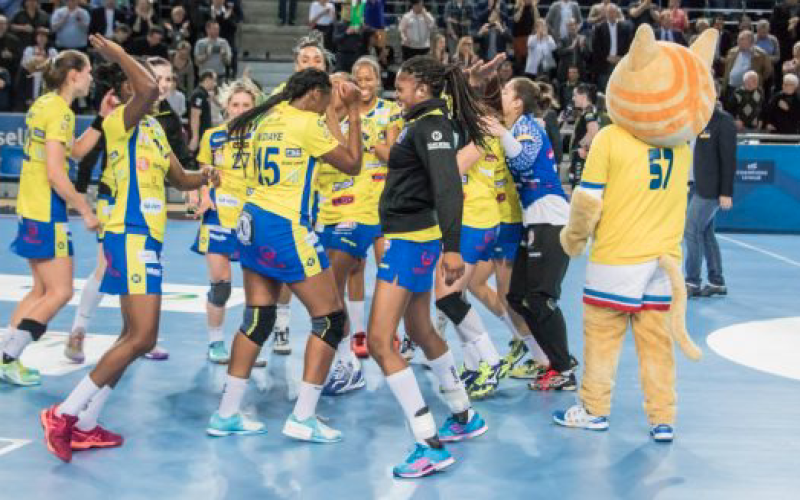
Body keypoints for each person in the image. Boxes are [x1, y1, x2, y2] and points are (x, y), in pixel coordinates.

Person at [41, 34, 220, 463]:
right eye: (150, 79)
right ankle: (63, 415)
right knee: (143, 337)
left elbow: (180, 178)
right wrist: (121, 55)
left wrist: (207, 176)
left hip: (149, 238)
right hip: (130, 233)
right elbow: (146, 88)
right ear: (126, 87)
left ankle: (86, 424)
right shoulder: (120, 120)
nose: (160, 86)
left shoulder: (155, 130)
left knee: (132, 337)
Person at [205, 69, 363, 443]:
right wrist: (354, 112)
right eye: (326, 100)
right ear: (314, 95)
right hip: (286, 226)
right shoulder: (306, 124)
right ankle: (303, 417)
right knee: (330, 319)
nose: (328, 107)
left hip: (252, 219)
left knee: (257, 318)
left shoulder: (265, 119)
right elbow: (353, 164)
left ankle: (226, 413)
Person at [367, 56, 488, 478]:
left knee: (381, 342)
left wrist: (452, 250)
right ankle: (463, 413)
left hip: (408, 241)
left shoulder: (430, 126)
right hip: (413, 236)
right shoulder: (424, 123)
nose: (396, 95)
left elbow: (448, 187)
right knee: (420, 329)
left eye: (400, 88)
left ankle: (428, 444)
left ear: (421, 88)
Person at [0, 50, 110, 386]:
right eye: (88, 71)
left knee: (41, 290)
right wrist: (86, 210)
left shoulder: (44, 104)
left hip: (31, 205)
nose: (91, 77)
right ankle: (8, 358)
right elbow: (55, 173)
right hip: (46, 209)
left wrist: (101, 119)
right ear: (73, 75)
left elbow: (74, 152)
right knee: (60, 292)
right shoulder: (60, 111)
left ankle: (5, 355)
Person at [484, 78, 578, 391]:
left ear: (518, 102)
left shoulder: (529, 127)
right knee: (517, 296)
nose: (501, 95)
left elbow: (523, 159)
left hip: (551, 219)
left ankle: (564, 368)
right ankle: (556, 359)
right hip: (533, 221)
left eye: (506, 91)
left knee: (541, 298)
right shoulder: (516, 128)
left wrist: (501, 133)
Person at [319, 58, 400, 375]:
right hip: (347, 207)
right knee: (351, 272)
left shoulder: (388, 111)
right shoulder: (338, 116)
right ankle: (357, 335)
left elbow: (394, 157)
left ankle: (389, 331)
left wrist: (370, 143)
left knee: (388, 272)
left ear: (378, 81)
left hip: (383, 203)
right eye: (359, 79)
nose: (364, 84)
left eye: (369, 79)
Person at [191, 78, 262, 364]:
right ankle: (216, 343)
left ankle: (248, 346)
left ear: (255, 108)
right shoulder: (212, 136)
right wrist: (203, 195)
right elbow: (203, 171)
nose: (240, 110)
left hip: (252, 217)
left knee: (257, 290)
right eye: (235, 104)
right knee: (221, 285)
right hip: (218, 215)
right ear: (226, 107)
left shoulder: (263, 137)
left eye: (246, 105)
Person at [684, 106, 736, 298]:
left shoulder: (723, 120)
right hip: (693, 185)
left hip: (709, 189)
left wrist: (726, 192)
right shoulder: (694, 119)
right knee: (706, 233)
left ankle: (692, 282)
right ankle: (716, 282)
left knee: (691, 230)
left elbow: (729, 159)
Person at [592, 4, 632, 91]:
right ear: (606, 14)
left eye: (613, 12)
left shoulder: (625, 27)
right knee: (604, 89)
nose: (611, 14)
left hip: (620, 63)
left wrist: (621, 57)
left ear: (617, 13)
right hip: (604, 63)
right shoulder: (599, 28)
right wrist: (607, 57)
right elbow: (596, 47)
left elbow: (629, 45)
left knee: (621, 89)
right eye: (609, 12)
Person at [722, 30, 773, 99]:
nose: (738, 41)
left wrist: (757, 79)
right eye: (738, 39)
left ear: (750, 41)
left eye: (742, 39)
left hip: (749, 89)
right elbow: (727, 69)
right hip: (732, 87)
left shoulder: (760, 54)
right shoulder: (732, 51)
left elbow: (767, 70)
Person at [568, 83, 600, 190]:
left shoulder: (589, 111)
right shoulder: (588, 111)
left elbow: (594, 131)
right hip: (580, 157)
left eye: (575, 95)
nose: (573, 98)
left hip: (580, 159)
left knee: (578, 189)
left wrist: (582, 147)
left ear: (583, 96)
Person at [19, 26, 56, 106]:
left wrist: (42, 60)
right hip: (31, 75)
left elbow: (54, 65)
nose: (42, 38)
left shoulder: (52, 51)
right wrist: (37, 60)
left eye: (44, 36)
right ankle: (28, 98)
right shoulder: (29, 49)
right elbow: (25, 64)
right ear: (35, 37)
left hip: (45, 75)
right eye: (40, 36)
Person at [189, 70, 217, 155]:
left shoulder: (204, 94)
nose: (215, 84)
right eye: (214, 80)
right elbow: (195, 115)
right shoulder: (199, 94)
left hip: (204, 132)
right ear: (208, 79)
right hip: (200, 133)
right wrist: (195, 137)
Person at [512, 0, 538, 74]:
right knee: (519, 62)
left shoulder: (532, 8)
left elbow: (536, 21)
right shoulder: (517, 7)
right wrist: (522, 7)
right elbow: (516, 19)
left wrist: (534, 7)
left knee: (528, 62)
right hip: (518, 38)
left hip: (529, 38)